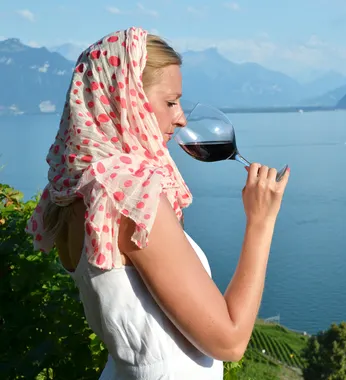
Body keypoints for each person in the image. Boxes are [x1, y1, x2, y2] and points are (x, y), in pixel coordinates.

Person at [25, 26, 289, 379]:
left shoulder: (72, 190)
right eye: (170, 102)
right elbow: (230, 343)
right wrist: (261, 221)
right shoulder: (127, 194)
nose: (180, 118)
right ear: (127, 99)